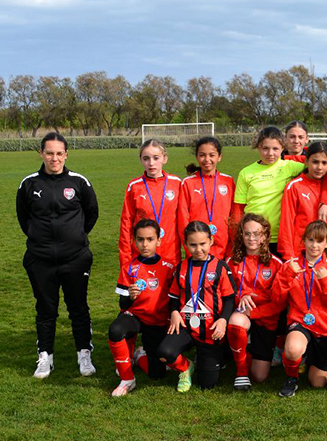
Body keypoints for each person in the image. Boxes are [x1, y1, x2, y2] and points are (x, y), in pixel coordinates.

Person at [17, 132, 99, 379]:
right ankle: (45, 357)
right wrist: (40, 239)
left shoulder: (79, 182)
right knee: (45, 309)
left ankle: (84, 353)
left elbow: (91, 214)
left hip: (75, 259)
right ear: (41, 153)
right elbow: (24, 218)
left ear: (66, 154)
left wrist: (73, 239)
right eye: (49, 153)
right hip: (40, 260)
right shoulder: (29, 184)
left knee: (78, 308)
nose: (54, 158)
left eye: (59, 153)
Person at [159, 221, 236, 392]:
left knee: (207, 385)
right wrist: (174, 312)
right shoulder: (181, 268)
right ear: (185, 244)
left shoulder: (220, 267)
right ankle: (186, 367)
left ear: (211, 241)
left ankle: (214, 357)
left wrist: (223, 320)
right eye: (192, 245)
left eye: (202, 244)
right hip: (185, 325)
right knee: (165, 352)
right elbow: (173, 296)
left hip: (210, 330)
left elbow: (230, 298)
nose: (198, 249)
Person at [273, 221, 327, 397]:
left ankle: (309, 359)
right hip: (300, 323)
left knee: (318, 383)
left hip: (324, 328)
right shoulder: (291, 265)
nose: (314, 245)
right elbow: (276, 299)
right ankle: (291, 378)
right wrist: (287, 276)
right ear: (303, 240)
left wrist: (326, 282)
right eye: (310, 240)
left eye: (320, 241)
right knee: (293, 348)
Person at [108, 219, 176, 396]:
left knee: (157, 374)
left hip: (158, 321)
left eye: (150, 239)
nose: (145, 244)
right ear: (134, 241)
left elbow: (175, 298)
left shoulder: (170, 267)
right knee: (115, 330)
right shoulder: (129, 267)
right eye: (140, 239)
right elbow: (122, 305)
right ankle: (127, 378)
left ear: (158, 240)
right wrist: (130, 297)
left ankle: (139, 356)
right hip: (136, 317)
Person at [226, 214, 284, 391]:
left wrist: (254, 313)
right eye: (247, 234)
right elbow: (225, 294)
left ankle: (247, 349)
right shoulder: (231, 262)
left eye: (257, 234)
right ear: (241, 236)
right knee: (236, 321)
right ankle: (241, 371)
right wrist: (240, 296)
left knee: (259, 376)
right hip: (242, 316)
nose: (252, 238)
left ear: (265, 236)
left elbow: (280, 303)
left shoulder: (276, 264)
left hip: (266, 320)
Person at [233, 127, 305, 255]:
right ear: (258, 147)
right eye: (265, 148)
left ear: (283, 148)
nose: (270, 153)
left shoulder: (290, 166)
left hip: (279, 236)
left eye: (275, 149)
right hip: (253, 237)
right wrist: (239, 235)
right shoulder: (245, 173)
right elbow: (238, 208)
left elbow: (320, 163)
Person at [119, 139, 181, 269]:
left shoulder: (177, 184)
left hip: (171, 254)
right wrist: (126, 260)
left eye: (156, 158)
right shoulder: (134, 187)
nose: (151, 163)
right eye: (146, 158)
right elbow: (126, 224)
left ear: (165, 158)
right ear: (141, 160)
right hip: (142, 253)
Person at [279, 142, 327, 260]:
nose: (319, 167)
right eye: (315, 162)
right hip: (301, 253)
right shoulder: (294, 187)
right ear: (306, 161)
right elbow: (286, 224)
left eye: (324, 163)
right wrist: (288, 256)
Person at [178, 136, 234, 260]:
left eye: (212, 155)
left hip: (223, 246)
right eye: (202, 155)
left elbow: (234, 217)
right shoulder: (188, 183)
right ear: (197, 157)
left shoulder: (228, 181)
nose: (207, 159)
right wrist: (189, 247)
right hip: (197, 247)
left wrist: (231, 249)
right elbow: (183, 218)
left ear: (219, 157)